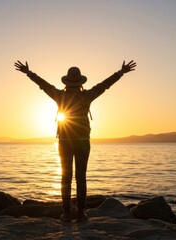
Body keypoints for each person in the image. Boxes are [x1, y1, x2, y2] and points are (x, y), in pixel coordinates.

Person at [14, 60, 136, 222]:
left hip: (64, 141)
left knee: (66, 177)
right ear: (80, 82)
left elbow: (43, 85)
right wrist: (120, 72)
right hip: (83, 141)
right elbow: (104, 85)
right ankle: (80, 214)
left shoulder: (60, 95)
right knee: (81, 177)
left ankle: (66, 214)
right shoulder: (87, 95)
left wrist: (29, 73)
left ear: (67, 81)